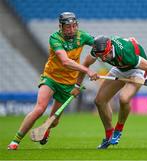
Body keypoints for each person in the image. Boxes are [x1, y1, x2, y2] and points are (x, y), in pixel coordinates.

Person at [8, 12, 99, 150]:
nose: (71, 30)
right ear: (60, 27)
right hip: (51, 78)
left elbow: (100, 45)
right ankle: (15, 141)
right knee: (39, 109)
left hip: (68, 84)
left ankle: (46, 128)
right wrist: (87, 70)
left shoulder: (82, 36)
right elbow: (65, 61)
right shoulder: (55, 38)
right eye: (67, 27)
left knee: (54, 121)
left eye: (74, 26)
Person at [71, 35, 147, 149]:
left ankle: (118, 129)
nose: (103, 59)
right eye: (100, 56)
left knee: (124, 98)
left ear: (110, 49)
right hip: (120, 68)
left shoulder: (125, 53)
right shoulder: (98, 50)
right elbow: (85, 64)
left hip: (137, 70)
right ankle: (109, 135)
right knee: (100, 101)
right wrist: (77, 85)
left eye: (104, 55)